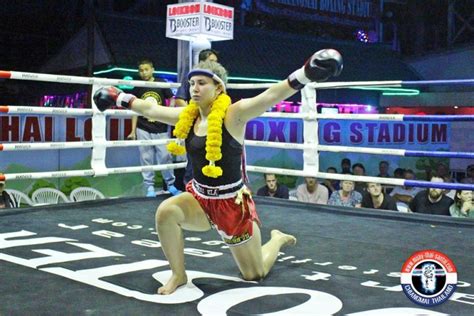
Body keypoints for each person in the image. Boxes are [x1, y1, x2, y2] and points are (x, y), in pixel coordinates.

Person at [94, 48, 343, 295]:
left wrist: (306, 72)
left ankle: (276, 239)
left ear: (218, 88)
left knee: (254, 274)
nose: (194, 88)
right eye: (192, 83)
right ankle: (178, 274)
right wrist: (119, 98)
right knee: (165, 212)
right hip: (200, 199)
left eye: (202, 83)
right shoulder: (187, 117)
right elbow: (150, 110)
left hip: (232, 205)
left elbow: (269, 96)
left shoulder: (233, 115)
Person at [127, 59, 180, 197]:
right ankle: (149, 187)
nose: (144, 72)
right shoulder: (138, 86)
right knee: (146, 158)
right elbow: (135, 110)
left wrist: (170, 111)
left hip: (161, 126)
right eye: (141, 70)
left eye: (146, 69)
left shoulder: (160, 82)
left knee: (165, 156)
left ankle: (171, 185)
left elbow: (172, 97)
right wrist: (132, 131)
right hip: (143, 127)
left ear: (152, 69)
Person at [175, 49, 220, 186]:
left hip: (216, 126)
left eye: (216, 62)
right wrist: (195, 112)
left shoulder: (218, 79)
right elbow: (179, 99)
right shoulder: (191, 78)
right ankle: (190, 192)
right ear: (203, 62)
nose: (195, 87)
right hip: (198, 126)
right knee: (194, 159)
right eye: (212, 61)